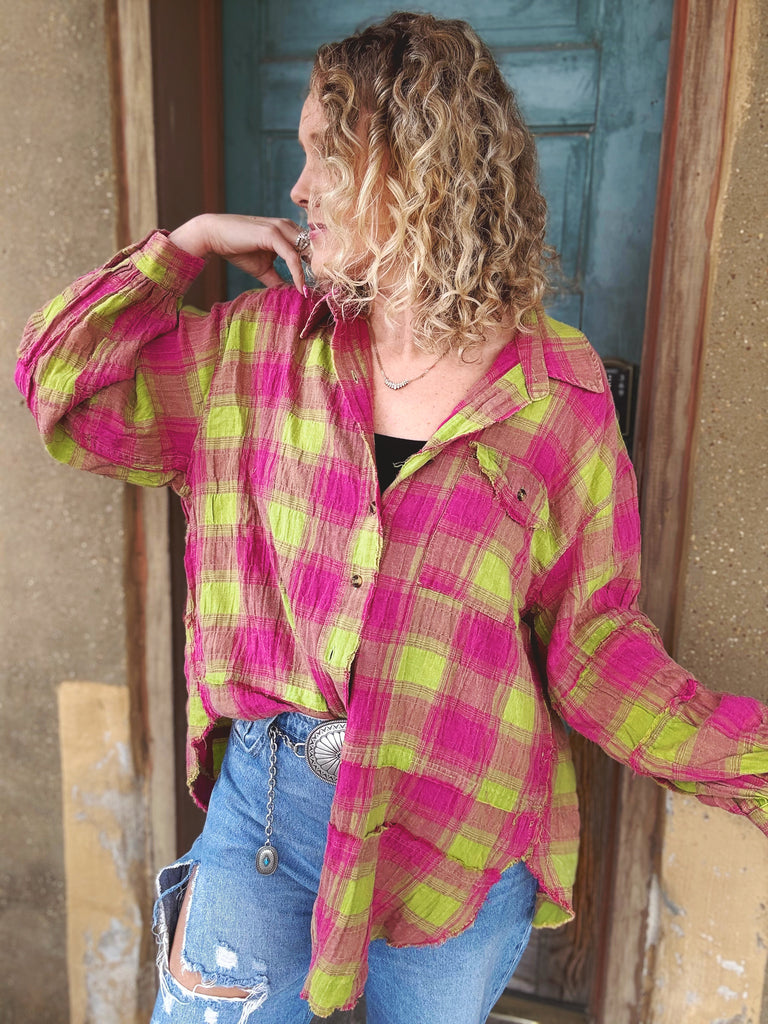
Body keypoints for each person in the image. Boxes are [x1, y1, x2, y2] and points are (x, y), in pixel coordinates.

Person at [16, 11, 768, 1024]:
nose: (298, 189)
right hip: (272, 820)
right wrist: (183, 247)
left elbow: (595, 647)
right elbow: (63, 386)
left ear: (420, 164)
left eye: (327, 153)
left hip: (460, 831)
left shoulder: (559, 393)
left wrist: (749, 762)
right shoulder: (260, 350)